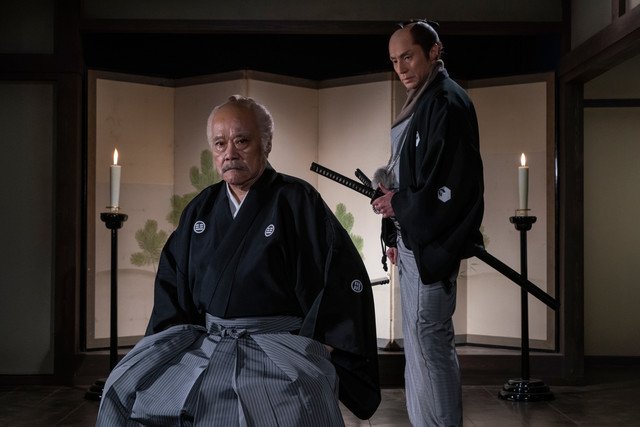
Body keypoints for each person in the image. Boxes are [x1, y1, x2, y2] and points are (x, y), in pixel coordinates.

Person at [96, 95, 381, 426]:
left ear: (267, 144)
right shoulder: (201, 209)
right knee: (126, 388)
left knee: (291, 405)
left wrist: (324, 347)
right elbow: (172, 288)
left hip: (277, 349)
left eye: (242, 141)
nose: (229, 153)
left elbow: (339, 277)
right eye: (220, 144)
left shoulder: (296, 201)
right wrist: (167, 346)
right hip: (208, 344)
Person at [371, 20, 484, 426]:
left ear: (434, 51)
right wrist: (393, 223)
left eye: (408, 56)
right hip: (413, 240)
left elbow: (450, 185)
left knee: (430, 342)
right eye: (394, 60)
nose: (400, 67)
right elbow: (410, 176)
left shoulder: (446, 102)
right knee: (419, 346)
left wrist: (399, 203)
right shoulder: (424, 100)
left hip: (431, 243)